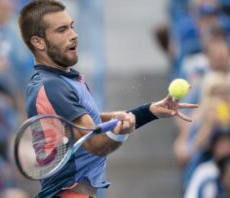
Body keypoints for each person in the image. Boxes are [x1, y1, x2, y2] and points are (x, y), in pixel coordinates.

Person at [18, 1, 198, 197]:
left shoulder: (61, 80)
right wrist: (120, 133)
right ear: (38, 42)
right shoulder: (53, 87)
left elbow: (86, 124)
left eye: (72, 26)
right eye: (62, 30)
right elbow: (95, 144)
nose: (74, 34)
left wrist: (150, 111)